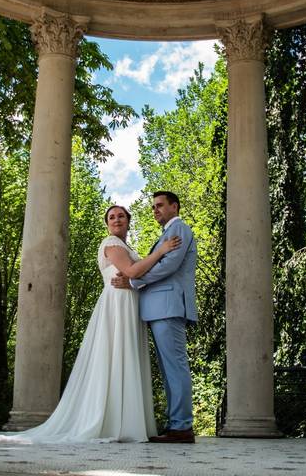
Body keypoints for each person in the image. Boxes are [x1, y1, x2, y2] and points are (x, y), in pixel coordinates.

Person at [0, 204, 181, 443]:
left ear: (128, 221)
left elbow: (137, 278)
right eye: (111, 217)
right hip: (117, 305)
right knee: (114, 356)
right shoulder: (111, 244)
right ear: (106, 224)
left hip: (130, 304)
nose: (116, 219)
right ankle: (110, 422)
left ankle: (128, 420)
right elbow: (133, 271)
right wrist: (160, 251)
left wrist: (140, 278)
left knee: (127, 357)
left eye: (121, 216)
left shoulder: (126, 246)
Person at [111, 190, 197, 444]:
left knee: (175, 367)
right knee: (170, 368)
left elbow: (168, 266)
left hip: (168, 306)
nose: (155, 210)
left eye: (160, 205)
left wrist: (134, 281)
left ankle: (182, 427)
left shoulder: (178, 230)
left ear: (175, 207)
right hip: (160, 308)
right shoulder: (167, 234)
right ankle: (176, 425)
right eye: (153, 207)